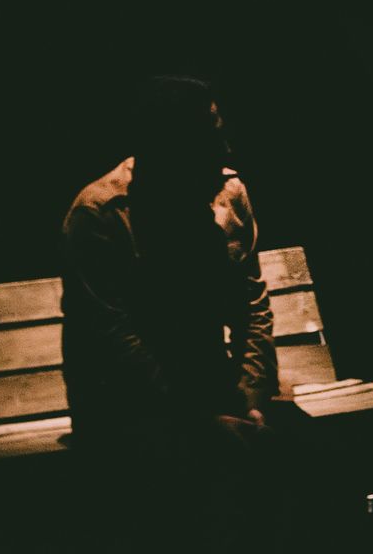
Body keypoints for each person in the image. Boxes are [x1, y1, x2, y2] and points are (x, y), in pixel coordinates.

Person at [60, 75, 282, 553]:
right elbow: (116, 344)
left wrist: (250, 395)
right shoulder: (103, 215)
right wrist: (204, 422)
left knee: (309, 459)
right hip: (126, 409)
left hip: (211, 393)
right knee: (199, 483)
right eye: (210, 135)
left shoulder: (226, 196)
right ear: (170, 146)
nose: (224, 147)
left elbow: (252, 305)